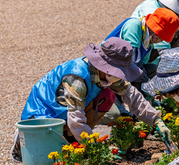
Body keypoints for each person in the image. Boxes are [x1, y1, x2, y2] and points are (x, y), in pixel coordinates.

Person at [17, 38, 171, 145]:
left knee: (107, 95)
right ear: (107, 68)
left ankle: (73, 138)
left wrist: (155, 120)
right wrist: (93, 145)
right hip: (42, 117)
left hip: (62, 112)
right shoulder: (77, 78)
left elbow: (131, 95)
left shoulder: (104, 74)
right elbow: (75, 117)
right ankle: (71, 139)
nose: (121, 77)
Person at [106, 8, 179, 82]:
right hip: (109, 66)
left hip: (124, 67)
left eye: (163, 38)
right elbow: (134, 61)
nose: (159, 41)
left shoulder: (149, 44)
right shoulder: (134, 25)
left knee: (153, 69)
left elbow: (142, 64)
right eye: (159, 36)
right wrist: (147, 81)